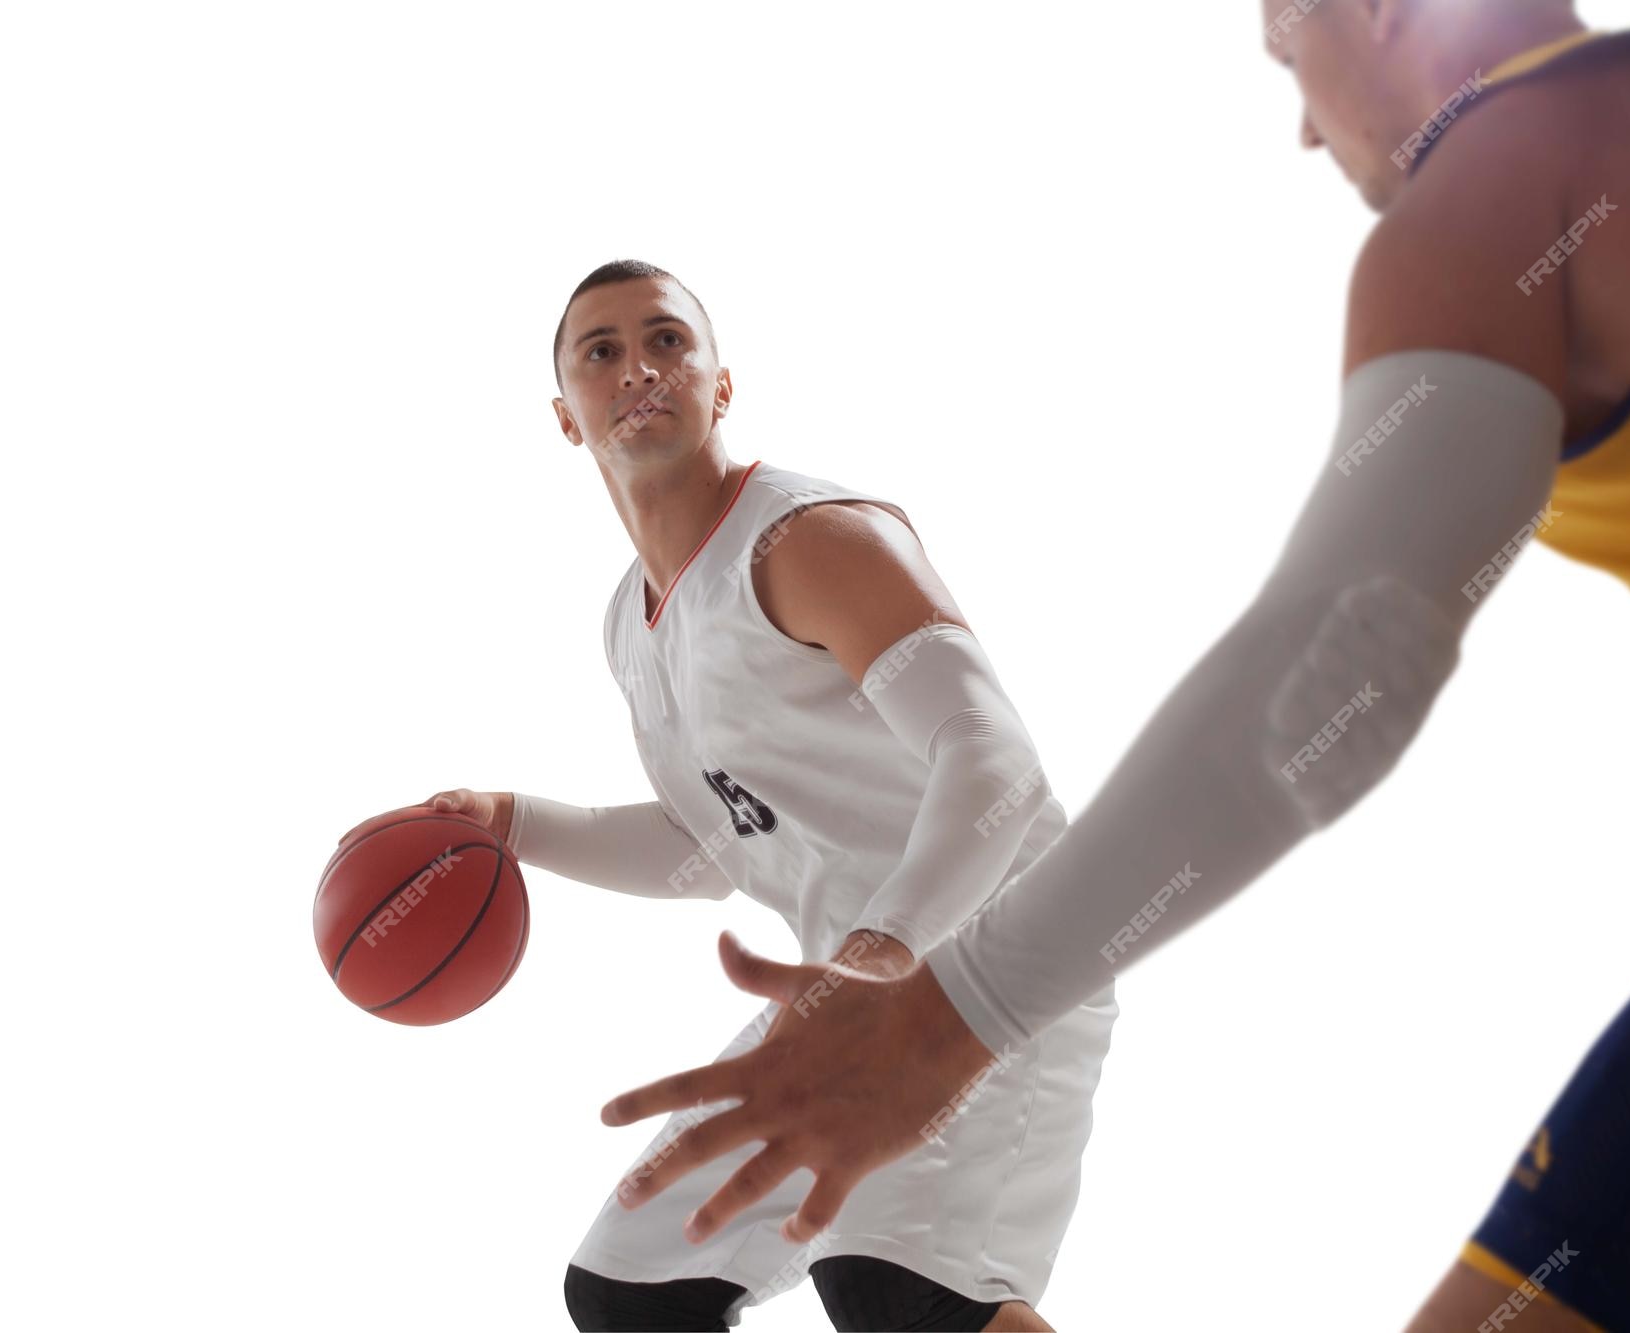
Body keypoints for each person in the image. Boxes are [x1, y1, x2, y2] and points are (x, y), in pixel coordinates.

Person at [597, 6, 1630, 1328]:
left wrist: (951, 1015)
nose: (1298, 125)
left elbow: (1341, 669)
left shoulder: (1503, 178)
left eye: (1292, 52)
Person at [421, 259, 1117, 1331]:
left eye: (666, 340)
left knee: (899, 1287)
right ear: (566, 416)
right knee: (632, 1291)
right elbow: (707, 847)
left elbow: (994, 759)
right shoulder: (634, 622)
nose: (639, 366)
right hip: (847, 994)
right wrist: (515, 823)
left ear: (720, 384)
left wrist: (883, 948)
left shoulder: (806, 539)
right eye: (600, 351)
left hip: (988, 960)